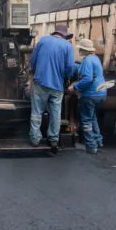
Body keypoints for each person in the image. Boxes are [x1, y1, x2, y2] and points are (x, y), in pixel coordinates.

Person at [28, 23, 75, 152]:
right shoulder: (67, 46)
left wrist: (32, 72)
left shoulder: (43, 40)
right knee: (55, 114)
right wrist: (66, 77)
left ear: (55, 32)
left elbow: (32, 61)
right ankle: (53, 140)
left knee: (37, 112)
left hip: (40, 82)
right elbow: (70, 67)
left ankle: (35, 139)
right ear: (64, 35)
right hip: (57, 86)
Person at [70, 38, 106, 155]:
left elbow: (87, 79)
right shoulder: (96, 59)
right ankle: (98, 140)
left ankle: (91, 146)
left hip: (90, 94)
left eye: (80, 49)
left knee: (86, 120)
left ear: (83, 50)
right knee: (92, 117)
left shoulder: (87, 61)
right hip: (100, 93)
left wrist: (75, 87)